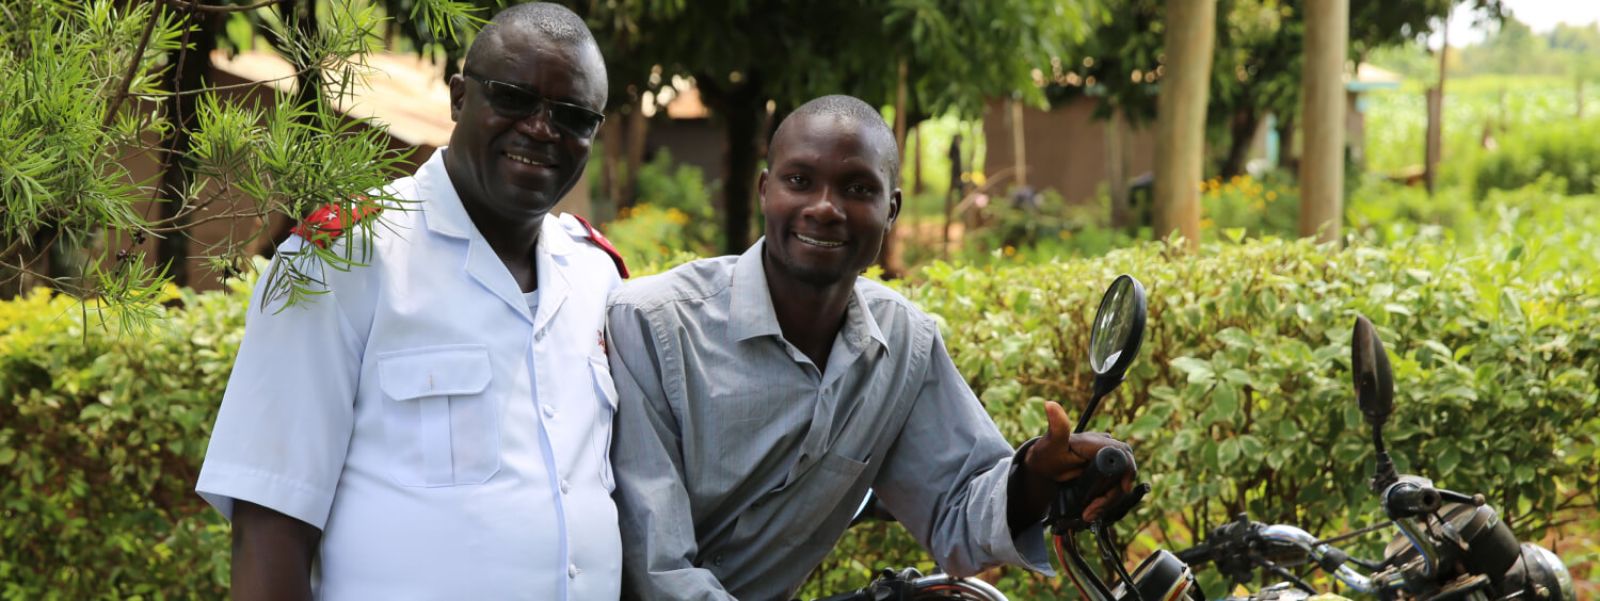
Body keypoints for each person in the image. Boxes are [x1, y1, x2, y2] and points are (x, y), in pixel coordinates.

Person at [606, 94, 1135, 600]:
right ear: (765, 190)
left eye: (858, 189)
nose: (825, 208)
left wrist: (1037, 474)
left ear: (892, 209)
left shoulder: (905, 343)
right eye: (799, 181)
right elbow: (658, 571)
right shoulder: (654, 326)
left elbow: (957, 512)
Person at [195, 4, 627, 599]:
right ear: (457, 98)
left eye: (572, 115)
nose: (541, 128)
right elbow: (269, 524)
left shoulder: (596, 274)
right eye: (513, 98)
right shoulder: (343, 259)